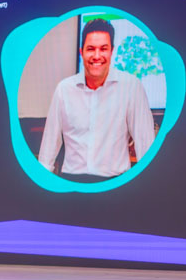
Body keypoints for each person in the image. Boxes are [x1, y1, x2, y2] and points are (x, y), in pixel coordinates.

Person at [37, 18, 155, 182]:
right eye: (91, 49)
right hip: (72, 183)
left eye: (103, 49)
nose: (97, 56)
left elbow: (146, 147)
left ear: (112, 51)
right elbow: (48, 149)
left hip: (116, 184)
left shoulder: (131, 87)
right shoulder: (64, 89)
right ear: (81, 52)